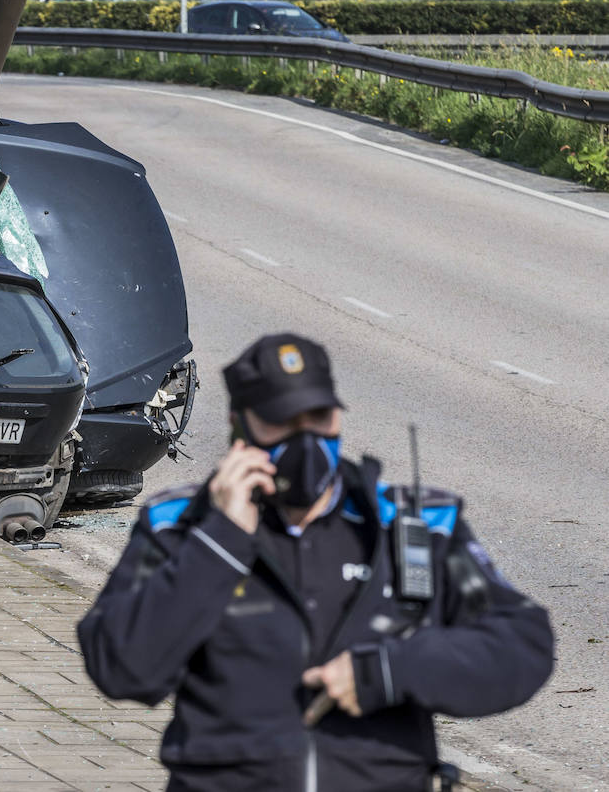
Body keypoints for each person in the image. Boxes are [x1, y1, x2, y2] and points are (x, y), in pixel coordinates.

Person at [78, 333, 554, 792]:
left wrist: (391, 671)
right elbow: (121, 668)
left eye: (319, 417)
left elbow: (522, 645)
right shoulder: (178, 527)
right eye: (282, 423)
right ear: (240, 427)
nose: (305, 440)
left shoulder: (413, 526)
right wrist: (220, 543)